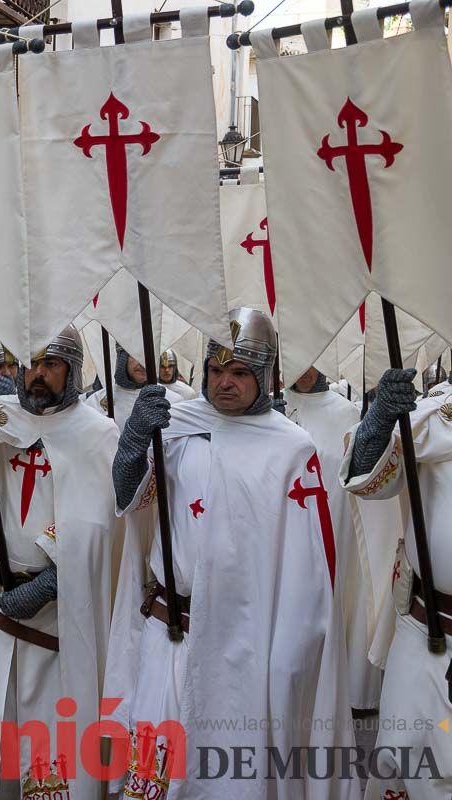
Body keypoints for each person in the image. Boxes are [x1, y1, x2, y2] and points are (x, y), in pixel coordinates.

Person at [105, 308, 354, 799]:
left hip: (244, 646)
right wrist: (134, 442)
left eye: (239, 372)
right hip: (170, 633)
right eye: (216, 370)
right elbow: (129, 498)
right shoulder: (175, 427)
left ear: (264, 375)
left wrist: (289, 658)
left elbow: (307, 572)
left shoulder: (291, 449)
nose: (225, 382)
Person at [0, 326, 122, 799]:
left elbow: (101, 524)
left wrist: (53, 578)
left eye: (51, 365)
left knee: (48, 746)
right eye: (30, 362)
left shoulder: (96, 434)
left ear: (72, 371)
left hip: (57, 619)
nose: (37, 375)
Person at [342, 367, 452, 800]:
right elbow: (370, 480)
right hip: (428, 632)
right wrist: (378, 423)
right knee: (402, 760)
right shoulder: (438, 414)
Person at [287, 367, 401, 714]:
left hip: (333, 526)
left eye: (312, 362)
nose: (304, 372)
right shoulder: (274, 409)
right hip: (286, 529)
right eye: (298, 362)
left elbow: (356, 474)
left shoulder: (344, 412)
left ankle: (339, 690)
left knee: (336, 598)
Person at [84, 345, 182, 429]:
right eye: (136, 355)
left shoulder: (173, 401)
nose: (142, 363)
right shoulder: (95, 402)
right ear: (123, 357)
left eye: (148, 356)